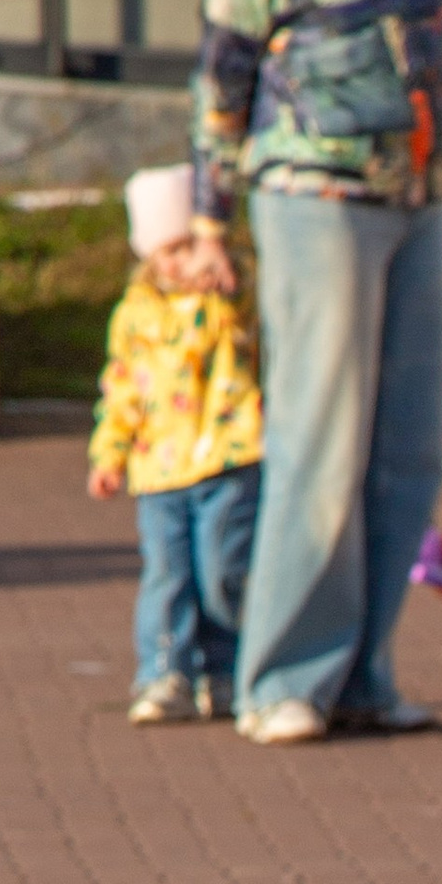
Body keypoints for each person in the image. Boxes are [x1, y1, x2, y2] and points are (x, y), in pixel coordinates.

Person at [185, 0, 442, 744]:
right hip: (312, 199)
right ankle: (281, 678)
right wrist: (209, 217)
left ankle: (363, 672)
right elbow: (220, 80)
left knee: (407, 448)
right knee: (320, 439)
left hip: (414, 201)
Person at [87, 162, 263, 726]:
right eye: (168, 251)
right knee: (167, 575)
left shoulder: (224, 300)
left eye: (189, 246)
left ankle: (223, 670)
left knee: (222, 571)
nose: (180, 262)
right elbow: (121, 389)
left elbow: (247, 314)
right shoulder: (134, 314)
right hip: (159, 470)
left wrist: (225, 267)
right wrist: (109, 454)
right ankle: (163, 672)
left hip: (225, 458)